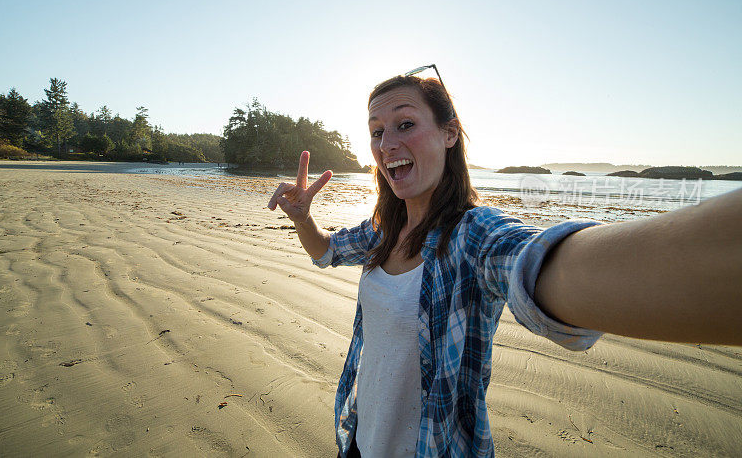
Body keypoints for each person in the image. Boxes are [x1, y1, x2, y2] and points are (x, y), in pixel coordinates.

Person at [267, 71, 742, 457]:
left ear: (450, 133)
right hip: (357, 437)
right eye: (376, 132)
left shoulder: (470, 234)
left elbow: (531, 259)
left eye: (405, 124)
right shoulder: (383, 229)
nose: (387, 142)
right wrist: (304, 218)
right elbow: (326, 251)